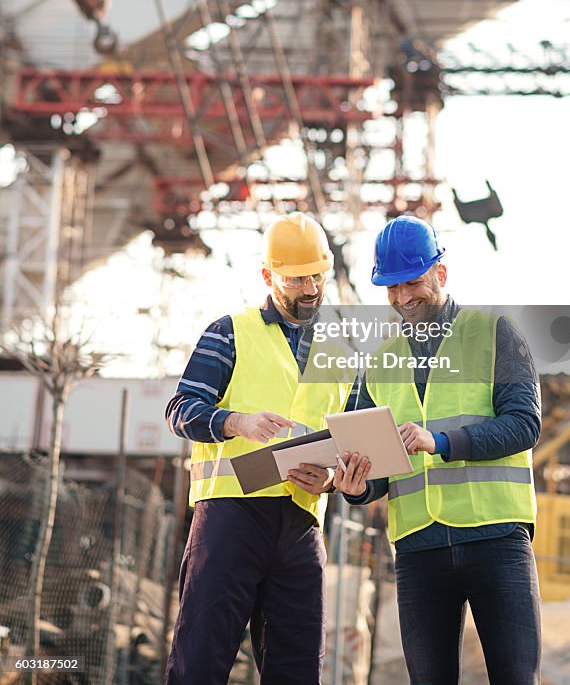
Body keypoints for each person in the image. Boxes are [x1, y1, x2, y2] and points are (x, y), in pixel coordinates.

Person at [335, 215, 542, 685]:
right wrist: (355, 487)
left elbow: (525, 424)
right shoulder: (380, 361)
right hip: (418, 548)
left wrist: (442, 443)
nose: (403, 297)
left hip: (496, 538)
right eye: (392, 287)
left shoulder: (496, 334)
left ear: (440, 274)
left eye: (413, 283)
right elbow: (373, 466)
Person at [164, 212, 353, 685]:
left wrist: (331, 478)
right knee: (200, 663)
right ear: (269, 277)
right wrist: (236, 422)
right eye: (296, 279)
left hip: (302, 527)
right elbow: (180, 408)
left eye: (317, 276)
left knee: (297, 671)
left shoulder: (343, 353)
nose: (310, 288)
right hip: (230, 521)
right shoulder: (230, 332)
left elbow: (350, 439)